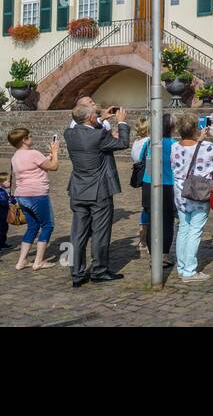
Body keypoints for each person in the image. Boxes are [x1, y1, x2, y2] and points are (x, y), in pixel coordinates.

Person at [65, 102, 131, 286]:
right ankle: (99, 271)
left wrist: (101, 117)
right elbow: (123, 143)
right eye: (95, 114)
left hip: (78, 189)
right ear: (91, 118)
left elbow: (85, 124)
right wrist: (122, 123)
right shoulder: (99, 135)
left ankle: (76, 274)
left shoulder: (69, 134)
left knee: (77, 234)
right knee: (100, 232)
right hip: (98, 191)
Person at [170, 112, 213, 282]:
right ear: (195, 129)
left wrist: (200, 139)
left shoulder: (174, 146)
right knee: (195, 230)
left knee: (183, 228)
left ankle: (181, 266)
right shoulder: (208, 147)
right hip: (199, 191)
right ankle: (190, 271)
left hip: (180, 191)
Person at [9, 127, 59, 271]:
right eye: (29, 136)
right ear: (24, 140)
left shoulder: (15, 156)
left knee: (32, 226)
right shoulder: (34, 153)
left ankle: (21, 261)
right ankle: (38, 261)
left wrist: (47, 158)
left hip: (21, 194)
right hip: (37, 193)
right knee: (48, 225)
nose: (31, 137)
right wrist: (55, 153)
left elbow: (35, 167)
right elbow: (54, 167)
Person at [140, 112, 177, 264]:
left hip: (148, 183)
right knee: (167, 221)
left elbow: (140, 158)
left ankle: (153, 255)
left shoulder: (150, 142)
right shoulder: (174, 144)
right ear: (172, 127)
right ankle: (163, 255)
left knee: (151, 220)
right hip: (167, 185)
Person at [131, 117, 151, 256]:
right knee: (150, 210)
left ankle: (142, 240)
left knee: (145, 209)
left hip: (142, 177)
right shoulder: (149, 142)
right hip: (149, 177)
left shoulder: (136, 142)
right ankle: (147, 241)